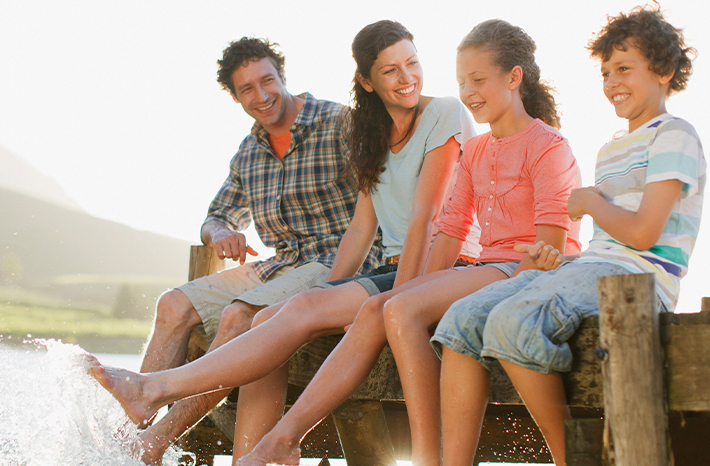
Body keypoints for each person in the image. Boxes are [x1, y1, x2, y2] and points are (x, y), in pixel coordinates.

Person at [89, 20, 480, 463]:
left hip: (438, 266)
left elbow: (425, 220)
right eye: (391, 70)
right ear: (367, 82)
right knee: (251, 315)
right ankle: (215, 451)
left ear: (282, 77)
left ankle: (159, 401)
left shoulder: (396, 117)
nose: (406, 77)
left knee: (248, 315)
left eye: (411, 63)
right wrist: (325, 291)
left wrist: (397, 299)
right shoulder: (365, 134)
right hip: (338, 267)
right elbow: (360, 225)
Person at [235, 19, 583, 466]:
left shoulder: (548, 145)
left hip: (522, 273)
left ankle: (425, 457)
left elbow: (552, 247)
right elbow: (452, 229)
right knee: (384, 306)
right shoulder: (476, 151)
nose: (469, 91)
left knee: (398, 307)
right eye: (462, 81)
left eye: (478, 79)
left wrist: (412, 298)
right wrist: (418, 292)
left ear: (514, 77)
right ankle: (288, 439)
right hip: (487, 271)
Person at [432, 7, 705, 466]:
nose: (611, 81)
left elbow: (642, 234)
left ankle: (570, 458)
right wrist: (552, 257)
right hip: (591, 268)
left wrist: (592, 204)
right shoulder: (612, 147)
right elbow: (604, 240)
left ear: (664, 71)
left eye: (624, 68)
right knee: (459, 322)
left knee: (512, 322)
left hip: (639, 276)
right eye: (605, 71)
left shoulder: (675, 136)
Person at [134, 37, 384, 463]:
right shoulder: (249, 152)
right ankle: (129, 431)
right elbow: (216, 217)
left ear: (282, 77)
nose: (262, 95)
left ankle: (153, 443)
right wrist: (221, 234)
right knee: (172, 304)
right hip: (279, 265)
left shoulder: (340, 122)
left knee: (239, 315)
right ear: (235, 96)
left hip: (339, 263)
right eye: (247, 88)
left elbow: (382, 201)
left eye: (267, 80)